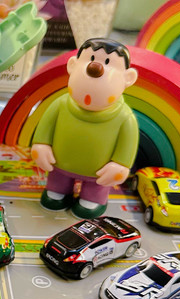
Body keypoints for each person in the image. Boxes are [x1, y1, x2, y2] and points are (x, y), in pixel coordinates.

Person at [31, 38, 139, 218]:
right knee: (56, 189)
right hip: (60, 164)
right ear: (72, 66)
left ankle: (93, 199)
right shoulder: (61, 104)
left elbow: (127, 146)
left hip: (98, 173)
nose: (95, 68)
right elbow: (45, 129)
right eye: (92, 58)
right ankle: (58, 192)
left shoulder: (125, 118)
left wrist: (120, 165)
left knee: (92, 196)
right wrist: (41, 145)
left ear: (128, 78)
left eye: (107, 62)